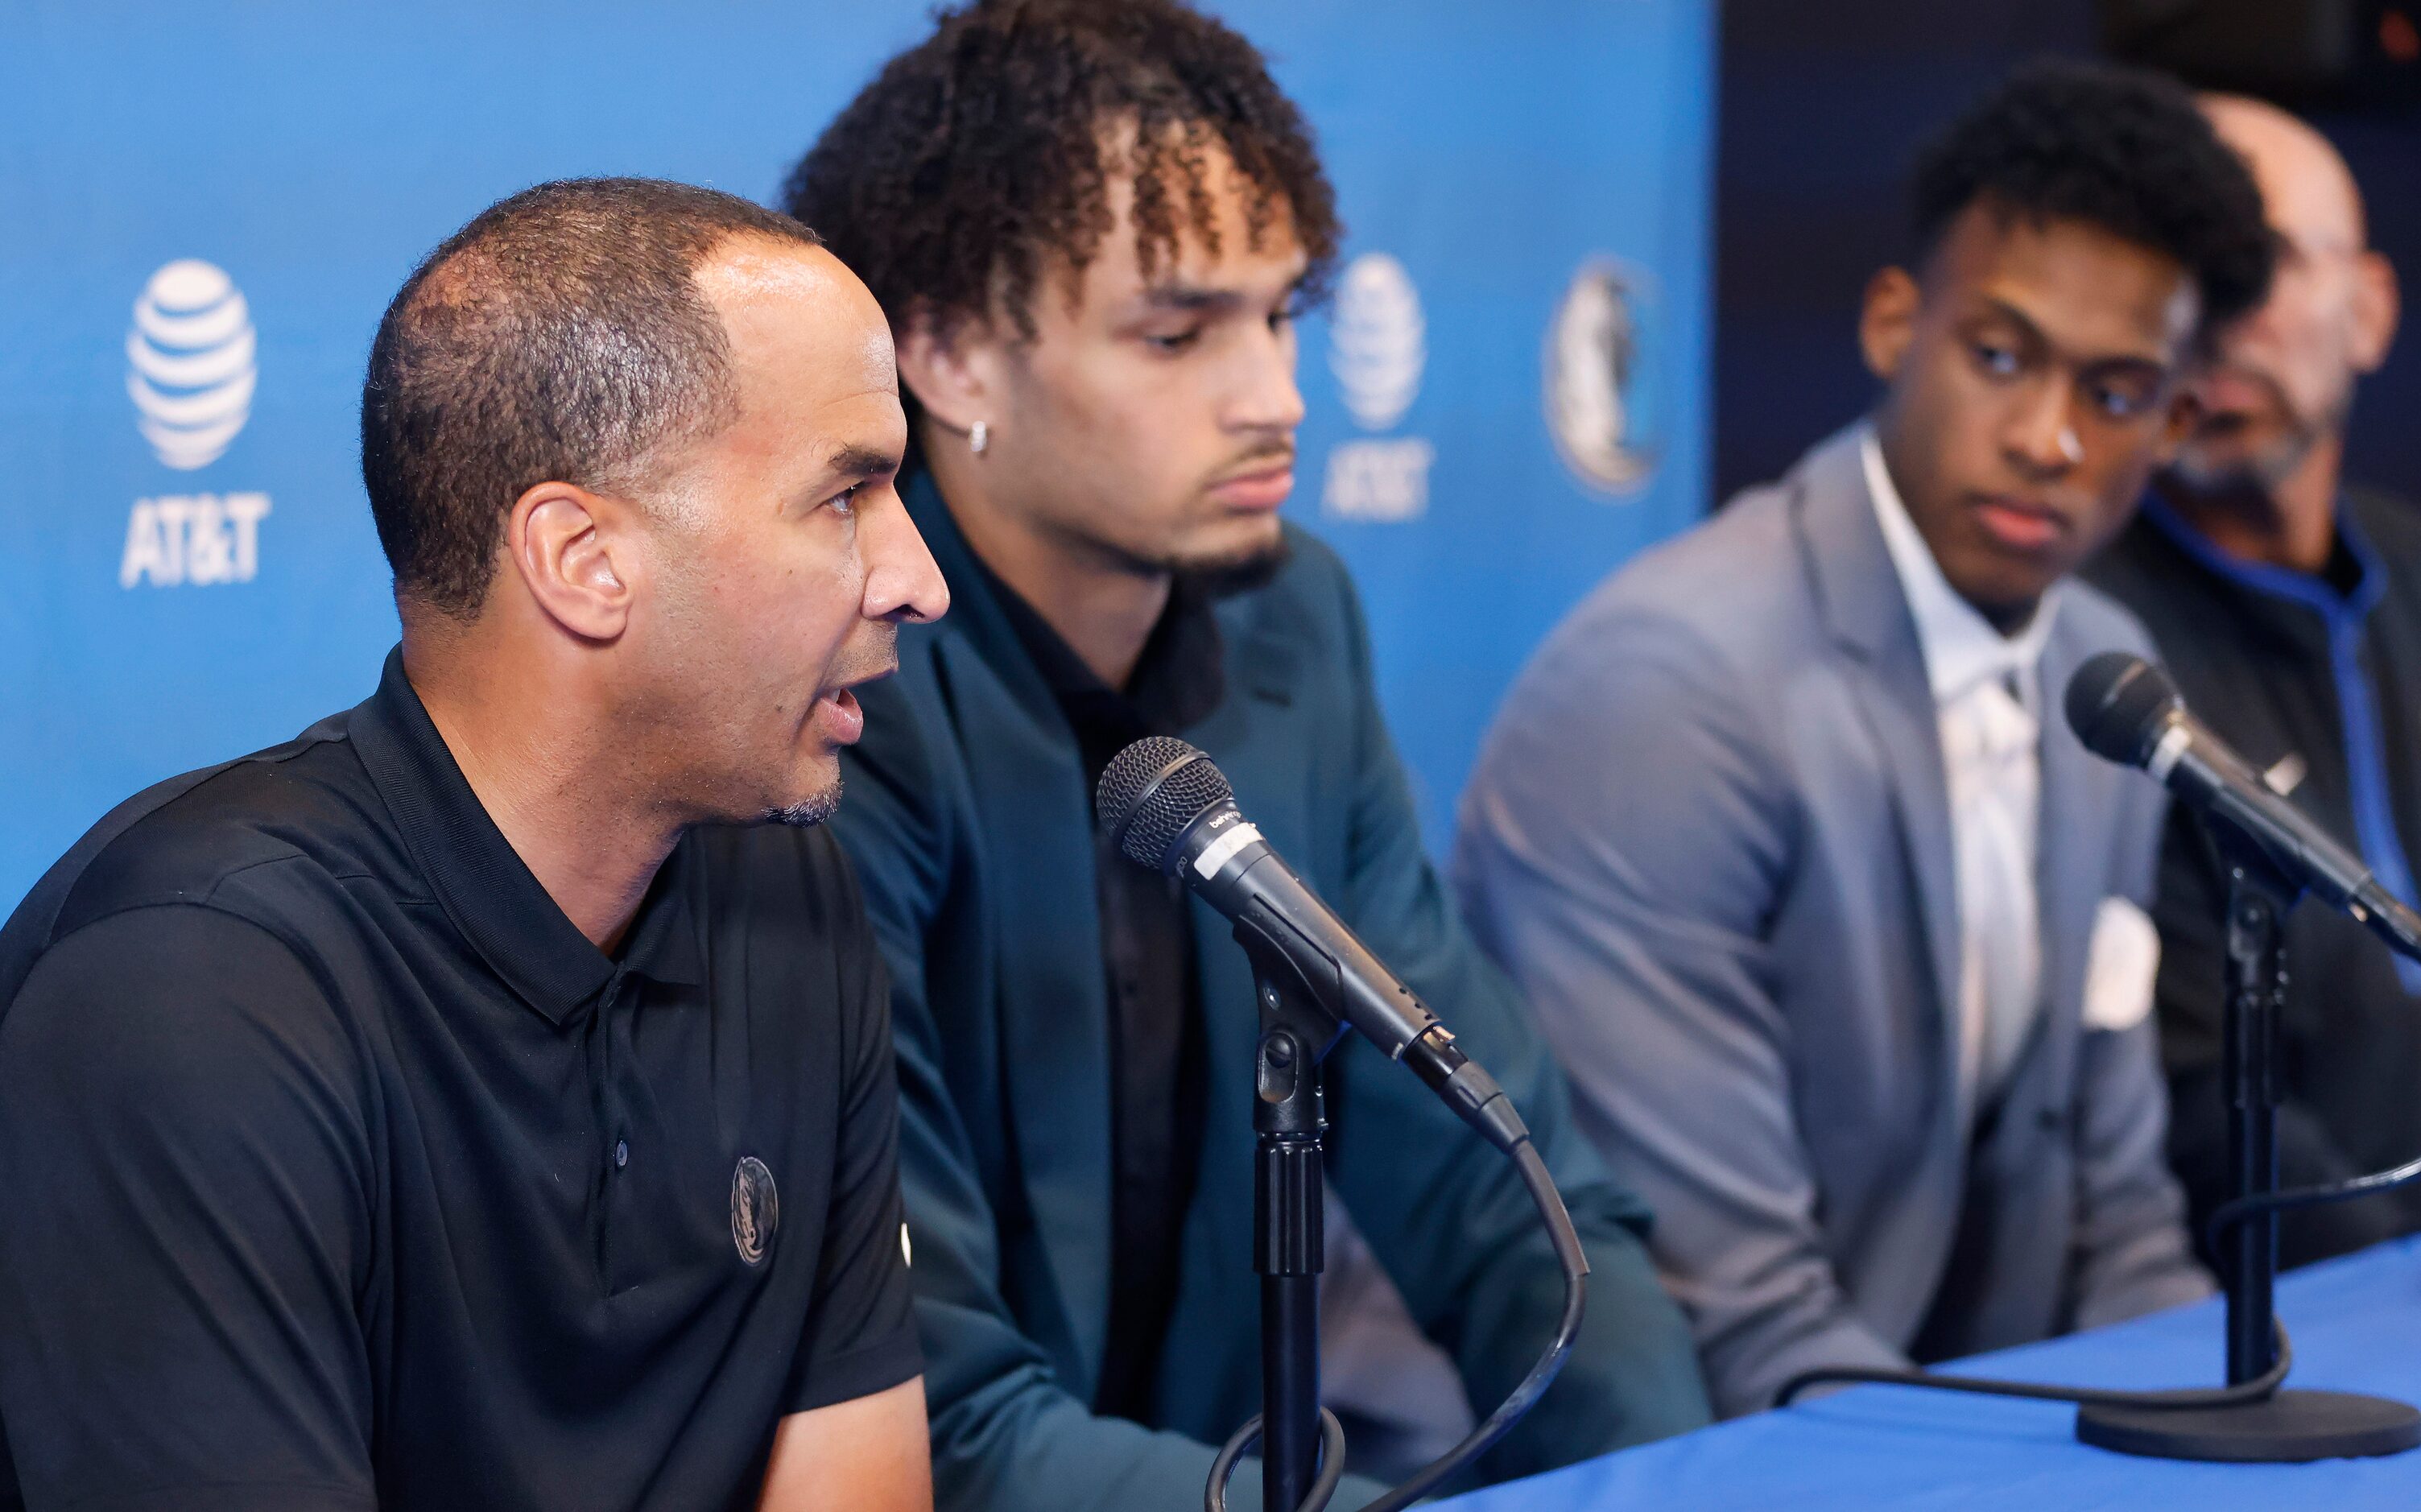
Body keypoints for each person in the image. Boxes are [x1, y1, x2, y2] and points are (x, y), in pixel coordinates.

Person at [781, 1, 1711, 1505]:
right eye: (1178, 331)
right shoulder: (830, 686)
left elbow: (1506, 1203)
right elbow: (926, 1403)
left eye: (1282, 316)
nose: (1278, 396)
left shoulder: (1295, 619)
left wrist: (1673, 1486)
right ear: (947, 355)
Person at [0, 179, 949, 1510]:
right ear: (581, 560)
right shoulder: (189, 990)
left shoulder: (786, 893)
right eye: (847, 495)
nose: (919, 576)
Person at [1454, 61, 2275, 1419]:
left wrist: (2228, 1440)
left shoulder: (2100, 678)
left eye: (2118, 393)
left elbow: (2118, 1224)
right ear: (1897, 322)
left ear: (2179, 421)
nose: (2049, 438)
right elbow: (1729, 1305)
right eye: (1999, 356)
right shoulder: (1674, 685)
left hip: (1904, 1410)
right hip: (1597, 1449)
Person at [2085, 94, 2415, 1267]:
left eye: (2251, 268)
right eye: (2175, 278)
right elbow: (2198, 1103)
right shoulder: (2096, 647)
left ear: (2369, 308)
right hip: (2304, 1303)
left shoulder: (2407, 566)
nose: (2210, 326)